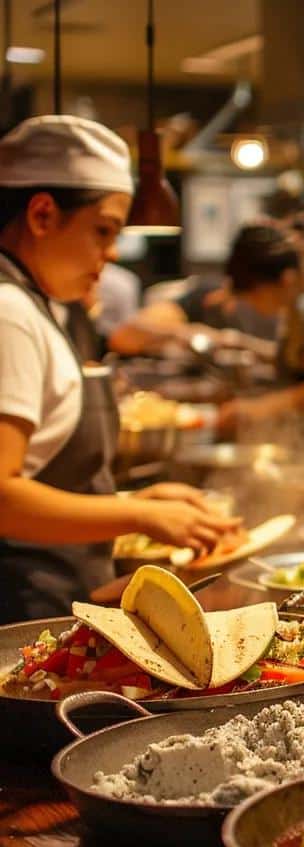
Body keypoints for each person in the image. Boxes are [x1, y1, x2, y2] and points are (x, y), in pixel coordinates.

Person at [0, 115, 237, 622]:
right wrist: (139, 514)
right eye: (103, 231)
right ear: (42, 215)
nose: (111, 255)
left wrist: (137, 499)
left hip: (45, 600)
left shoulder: (31, 304)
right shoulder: (9, 312)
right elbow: (2, 495)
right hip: (19, 611)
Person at [112, 225, 304, 448]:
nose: (253, 304)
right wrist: (245, 345)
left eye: (254, 294)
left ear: (286, 280)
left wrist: (258, 409)